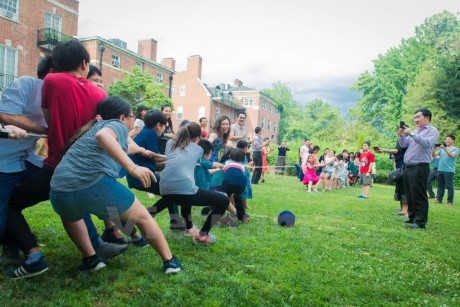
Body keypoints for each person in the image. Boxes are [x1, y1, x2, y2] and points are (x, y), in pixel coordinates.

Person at [4, 40, 127, 279]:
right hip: (90, 170)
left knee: (12, 204)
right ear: (84, 64)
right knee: (84, 207)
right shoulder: (101, 94)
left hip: (58, 167)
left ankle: (34, 257)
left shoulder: (52, 81)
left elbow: (49, 122)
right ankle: (105, 248)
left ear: (56, 66)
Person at [49, 97, 181, 274]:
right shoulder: (114, 125)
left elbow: (128, 146)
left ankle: (91, 259)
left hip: (58, 191)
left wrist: (145, 153)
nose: (134, 120)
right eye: (132, 116)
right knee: (143, 217)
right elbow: (103, 137)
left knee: (72, 217)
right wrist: (133, 168)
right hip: (94, 186)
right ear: (122, 118)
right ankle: (170, 261)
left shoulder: (96, 129)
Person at [0, 56, 52, 265]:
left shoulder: (60, 98)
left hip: (24, 164)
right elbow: (6, 115)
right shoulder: (27, 84)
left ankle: (99, 244)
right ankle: (17, 249)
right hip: (5, 162)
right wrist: (45, 130)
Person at [148, 122, 230, 244]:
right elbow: (200, 159)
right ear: (197, 138)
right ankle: (202, 235)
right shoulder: (198, 149)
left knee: (180, 195)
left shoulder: (170, 143)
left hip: (164, 188)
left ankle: (187, 226)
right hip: (184, 190)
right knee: (223, 201)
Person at [398, 108, 439, 229]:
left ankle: (420, 222)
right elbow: (404, 144)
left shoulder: (432, 131)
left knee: (419, 194)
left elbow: (427, 143)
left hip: (420, 166)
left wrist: (411, 133)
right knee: (410, 193)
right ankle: (412, 217)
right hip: (409, 166)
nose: (415, 119)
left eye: (418, 117)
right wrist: (401, 136)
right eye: (414, 117)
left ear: (427, 118)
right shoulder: (416, 131)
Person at [377, 140, 408, 216]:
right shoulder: (400, 141)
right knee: (400, 187)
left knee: (404, 188)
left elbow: (397, 150)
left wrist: (384, 150)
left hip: (405, 166)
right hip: (400, 166)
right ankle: (403, 209)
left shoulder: (406, 141)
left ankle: (405, 210)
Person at [222, 148, 249, 223]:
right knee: (238, 198)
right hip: (241, 183)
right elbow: (241, 171)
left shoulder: (227, 162)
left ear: (230, 156)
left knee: (223, 197)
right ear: (243, 158)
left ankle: (221, 214)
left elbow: (225, 170)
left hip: (228, 182)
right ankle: (242, 218)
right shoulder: (242, 165)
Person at [435, 135, 458, 206]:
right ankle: (439, 199)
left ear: (453, 140)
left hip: (449, 170)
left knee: (449, 186)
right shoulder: (441, 149)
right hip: (440, 170)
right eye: (446, 139)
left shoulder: (455, 149)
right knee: (440, 186)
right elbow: (435, 155)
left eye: (448, 139)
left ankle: (450, 201)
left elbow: (452, 155)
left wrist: (444, 149)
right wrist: (432, 149)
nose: (446, 141)